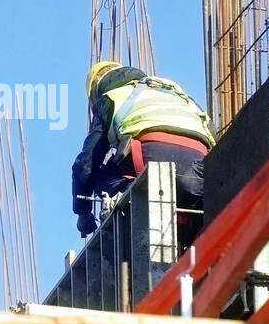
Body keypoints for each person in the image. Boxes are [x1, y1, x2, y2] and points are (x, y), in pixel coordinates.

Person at [72, 61, 215, 238]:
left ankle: (126, 217)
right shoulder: (175, 91)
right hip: (199, 172)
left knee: (98, 175)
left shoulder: (111, 98)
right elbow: (213, 134)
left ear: (96, 91)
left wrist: (83, 212)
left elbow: (85, 164)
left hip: (149, 163)